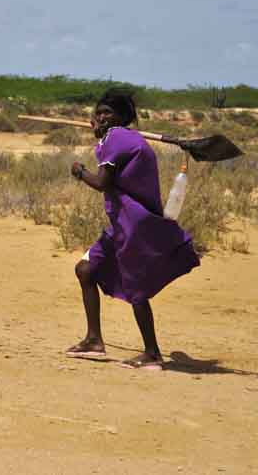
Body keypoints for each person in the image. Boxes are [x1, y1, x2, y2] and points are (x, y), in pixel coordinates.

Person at [65, 87, 200, 370]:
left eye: (106, 114)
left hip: (133, 224)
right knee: (86, 269)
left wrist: (80, 172)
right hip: (123, 223)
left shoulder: (116, 138)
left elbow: (103, 182)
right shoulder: (125, 138)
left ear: (121, 118)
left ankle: (152, 354)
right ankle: (93, 341)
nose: (99, 118)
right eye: (97, 113)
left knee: (137, 288)